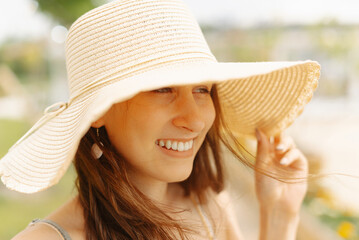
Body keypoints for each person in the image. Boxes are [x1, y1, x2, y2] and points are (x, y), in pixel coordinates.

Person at [0, 0, 320, 239]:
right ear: (98, 113)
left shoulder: (209, 209)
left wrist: (280, 215)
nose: (194, 120)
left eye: (202, 89)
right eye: (162, 89)